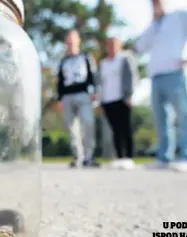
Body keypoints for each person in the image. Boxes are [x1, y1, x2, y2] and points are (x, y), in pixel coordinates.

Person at [135, 0, 187, 172]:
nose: (156, 3)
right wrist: (153, 23)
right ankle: (164, 157)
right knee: (161, 119)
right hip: (156, 76)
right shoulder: (154, 26)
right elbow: (140, 47)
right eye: (152, 1)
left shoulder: (180, 16)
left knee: (184, 114)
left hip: (174, 73)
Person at [56, 29, 100, 168]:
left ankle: (89, 156)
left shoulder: (86, 57)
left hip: (83, 94)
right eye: (68, 39)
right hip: (67, 97)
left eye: (73, 38)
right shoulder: (63, 61)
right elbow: (60, 81)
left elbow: (93, 75)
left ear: (78, 40)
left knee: (88, 123)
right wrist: (60, 98)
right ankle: (78, 157)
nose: (70, 41)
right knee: (71, 128)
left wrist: (95, 91)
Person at [98, 37, 140, 169]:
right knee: (115, 129)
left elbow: (132, 77)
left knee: (125, 128)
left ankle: (129, 157)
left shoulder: (125, 58)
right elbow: (100, 82)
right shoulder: (103, 63)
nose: (111, 47)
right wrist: (100, 100)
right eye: (109, 45)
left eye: (114, 44)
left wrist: (129, 95)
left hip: (122, 99)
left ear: (120, 45)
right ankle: (120, 157)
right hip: (107, 100)